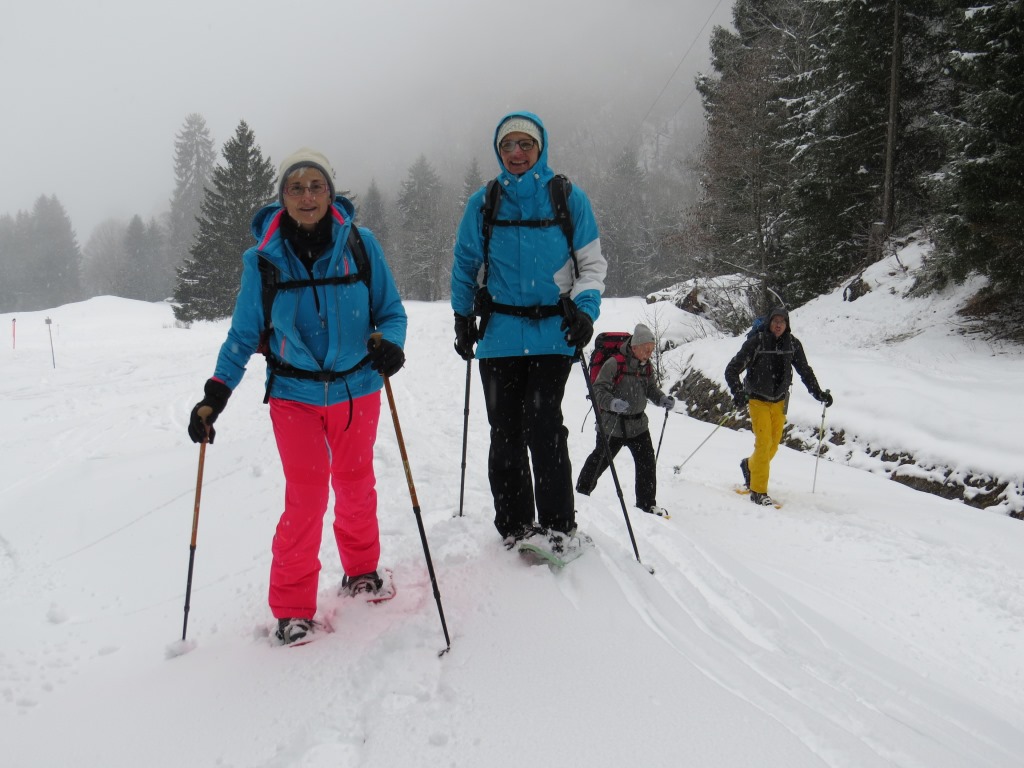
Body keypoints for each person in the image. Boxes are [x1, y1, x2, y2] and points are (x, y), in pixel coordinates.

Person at [186, 148, 408, 645]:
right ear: (282, 196)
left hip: (357, 389)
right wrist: (214, 395)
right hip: (294, 395)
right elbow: (244, 335)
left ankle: (362, 571)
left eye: (316, 186)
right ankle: (291, 609)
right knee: (306, 498)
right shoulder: (263, 261)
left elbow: (391, 311)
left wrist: (390, 344)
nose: (307, 196)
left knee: (355, 484)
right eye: (296, 187)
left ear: (330, 192)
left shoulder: (361, 246)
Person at [450, 111, 607, 561]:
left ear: (541, 148)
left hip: (553, 335)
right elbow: (465, 264)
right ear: (498, 151)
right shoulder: (484, 202)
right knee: (506, 432)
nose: (516, 153)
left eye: (525, 144)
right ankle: (516, 525)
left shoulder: (567, 197)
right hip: (499, 336)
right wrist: (462, 316)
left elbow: (591, 265)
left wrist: (585, 311)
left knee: (544, 425)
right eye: (507, 145)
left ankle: (559, 527)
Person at [724, 306, 832, 506]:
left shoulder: (792, 344)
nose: (778, 325)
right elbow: (731, 369)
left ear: (787, 324)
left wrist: (818, 393)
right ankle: (758, 491)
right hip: (757, 399)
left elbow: (805, 371)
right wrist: (738, 392)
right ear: (769, 322)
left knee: (772, 446)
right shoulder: (757, 342)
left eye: (782, 322)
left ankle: (749, 466)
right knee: (764, 443)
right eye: (775, 321)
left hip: (780, 400)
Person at [575, 324, 675, 516]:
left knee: (647, 463)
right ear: (635, 346)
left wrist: (661, 399)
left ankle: (646, 505)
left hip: (638, 425)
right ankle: (581, 494)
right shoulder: (614, 363)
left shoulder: (647, 367)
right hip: (613, 425)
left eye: (651, 350)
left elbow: (650, 388)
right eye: (646, 349)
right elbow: (598, 390)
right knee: (600, 460)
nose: (649, 354)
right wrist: (612, 403)